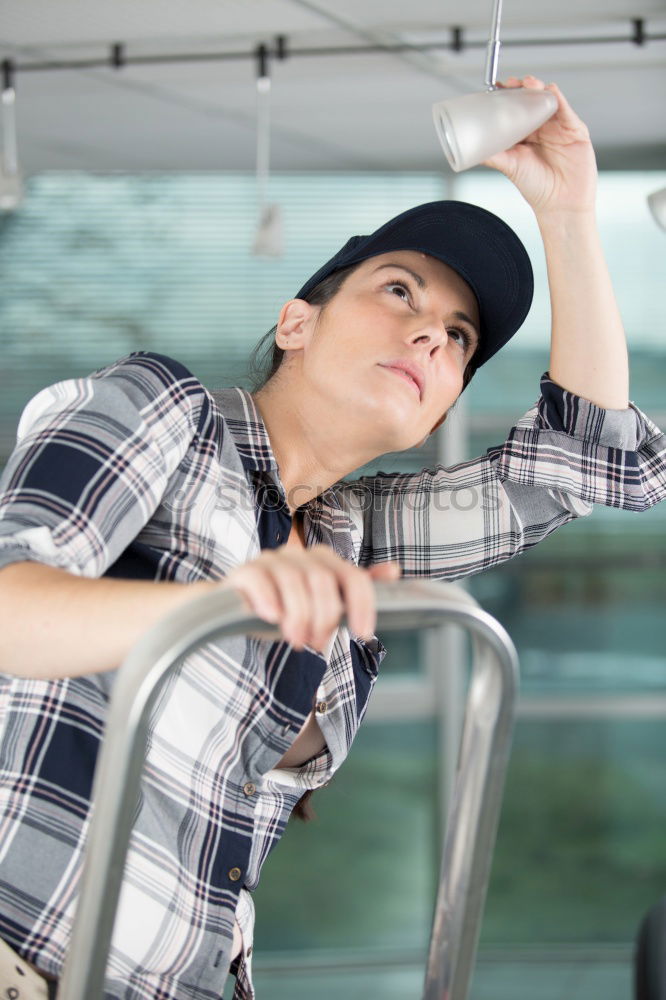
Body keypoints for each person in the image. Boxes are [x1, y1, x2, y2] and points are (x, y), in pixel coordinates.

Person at [0, 76, 664, 1000]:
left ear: (437, 414)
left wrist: (571, 211)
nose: (433, 333)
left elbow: (578, 466)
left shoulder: (354, 537)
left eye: (459, 338)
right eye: (401, 291)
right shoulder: (163, 412)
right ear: (296, 321)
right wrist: (225, 604)